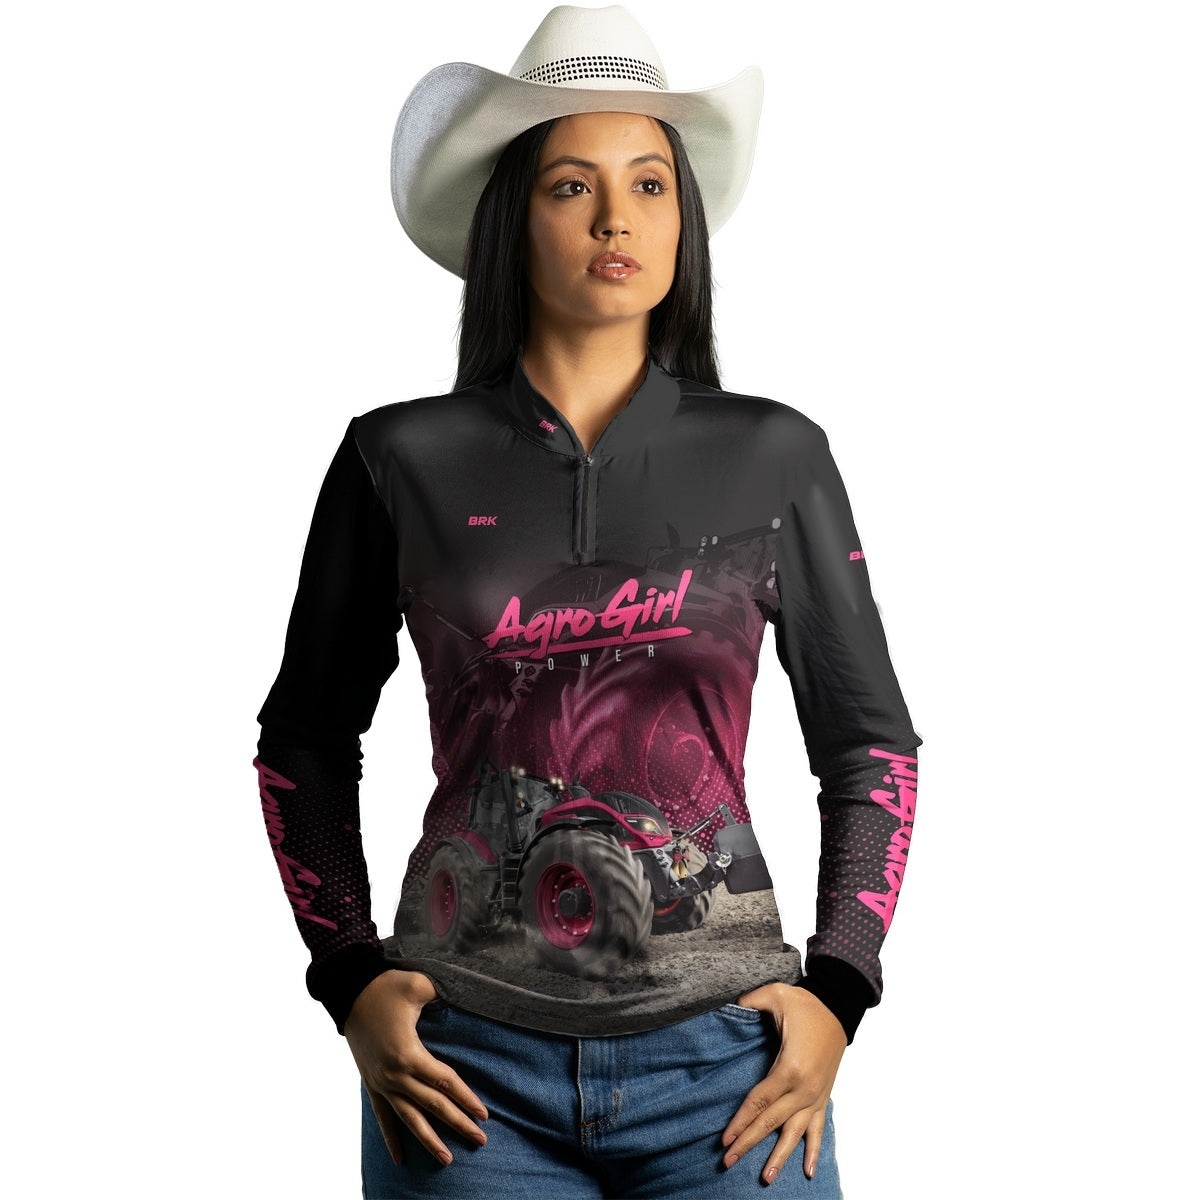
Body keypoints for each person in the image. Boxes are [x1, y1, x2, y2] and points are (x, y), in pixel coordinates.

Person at [253, 6, 922, 1198]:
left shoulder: (774, 455)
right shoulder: (398, 458)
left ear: (683, 218)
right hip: (461, 1075)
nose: (618, 218)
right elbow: (302, 737)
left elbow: (871, 745)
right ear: (514, 217)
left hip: (731, 1069)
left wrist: (840, 989)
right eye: (573, 186)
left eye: (650, 184)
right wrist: (348, 977)